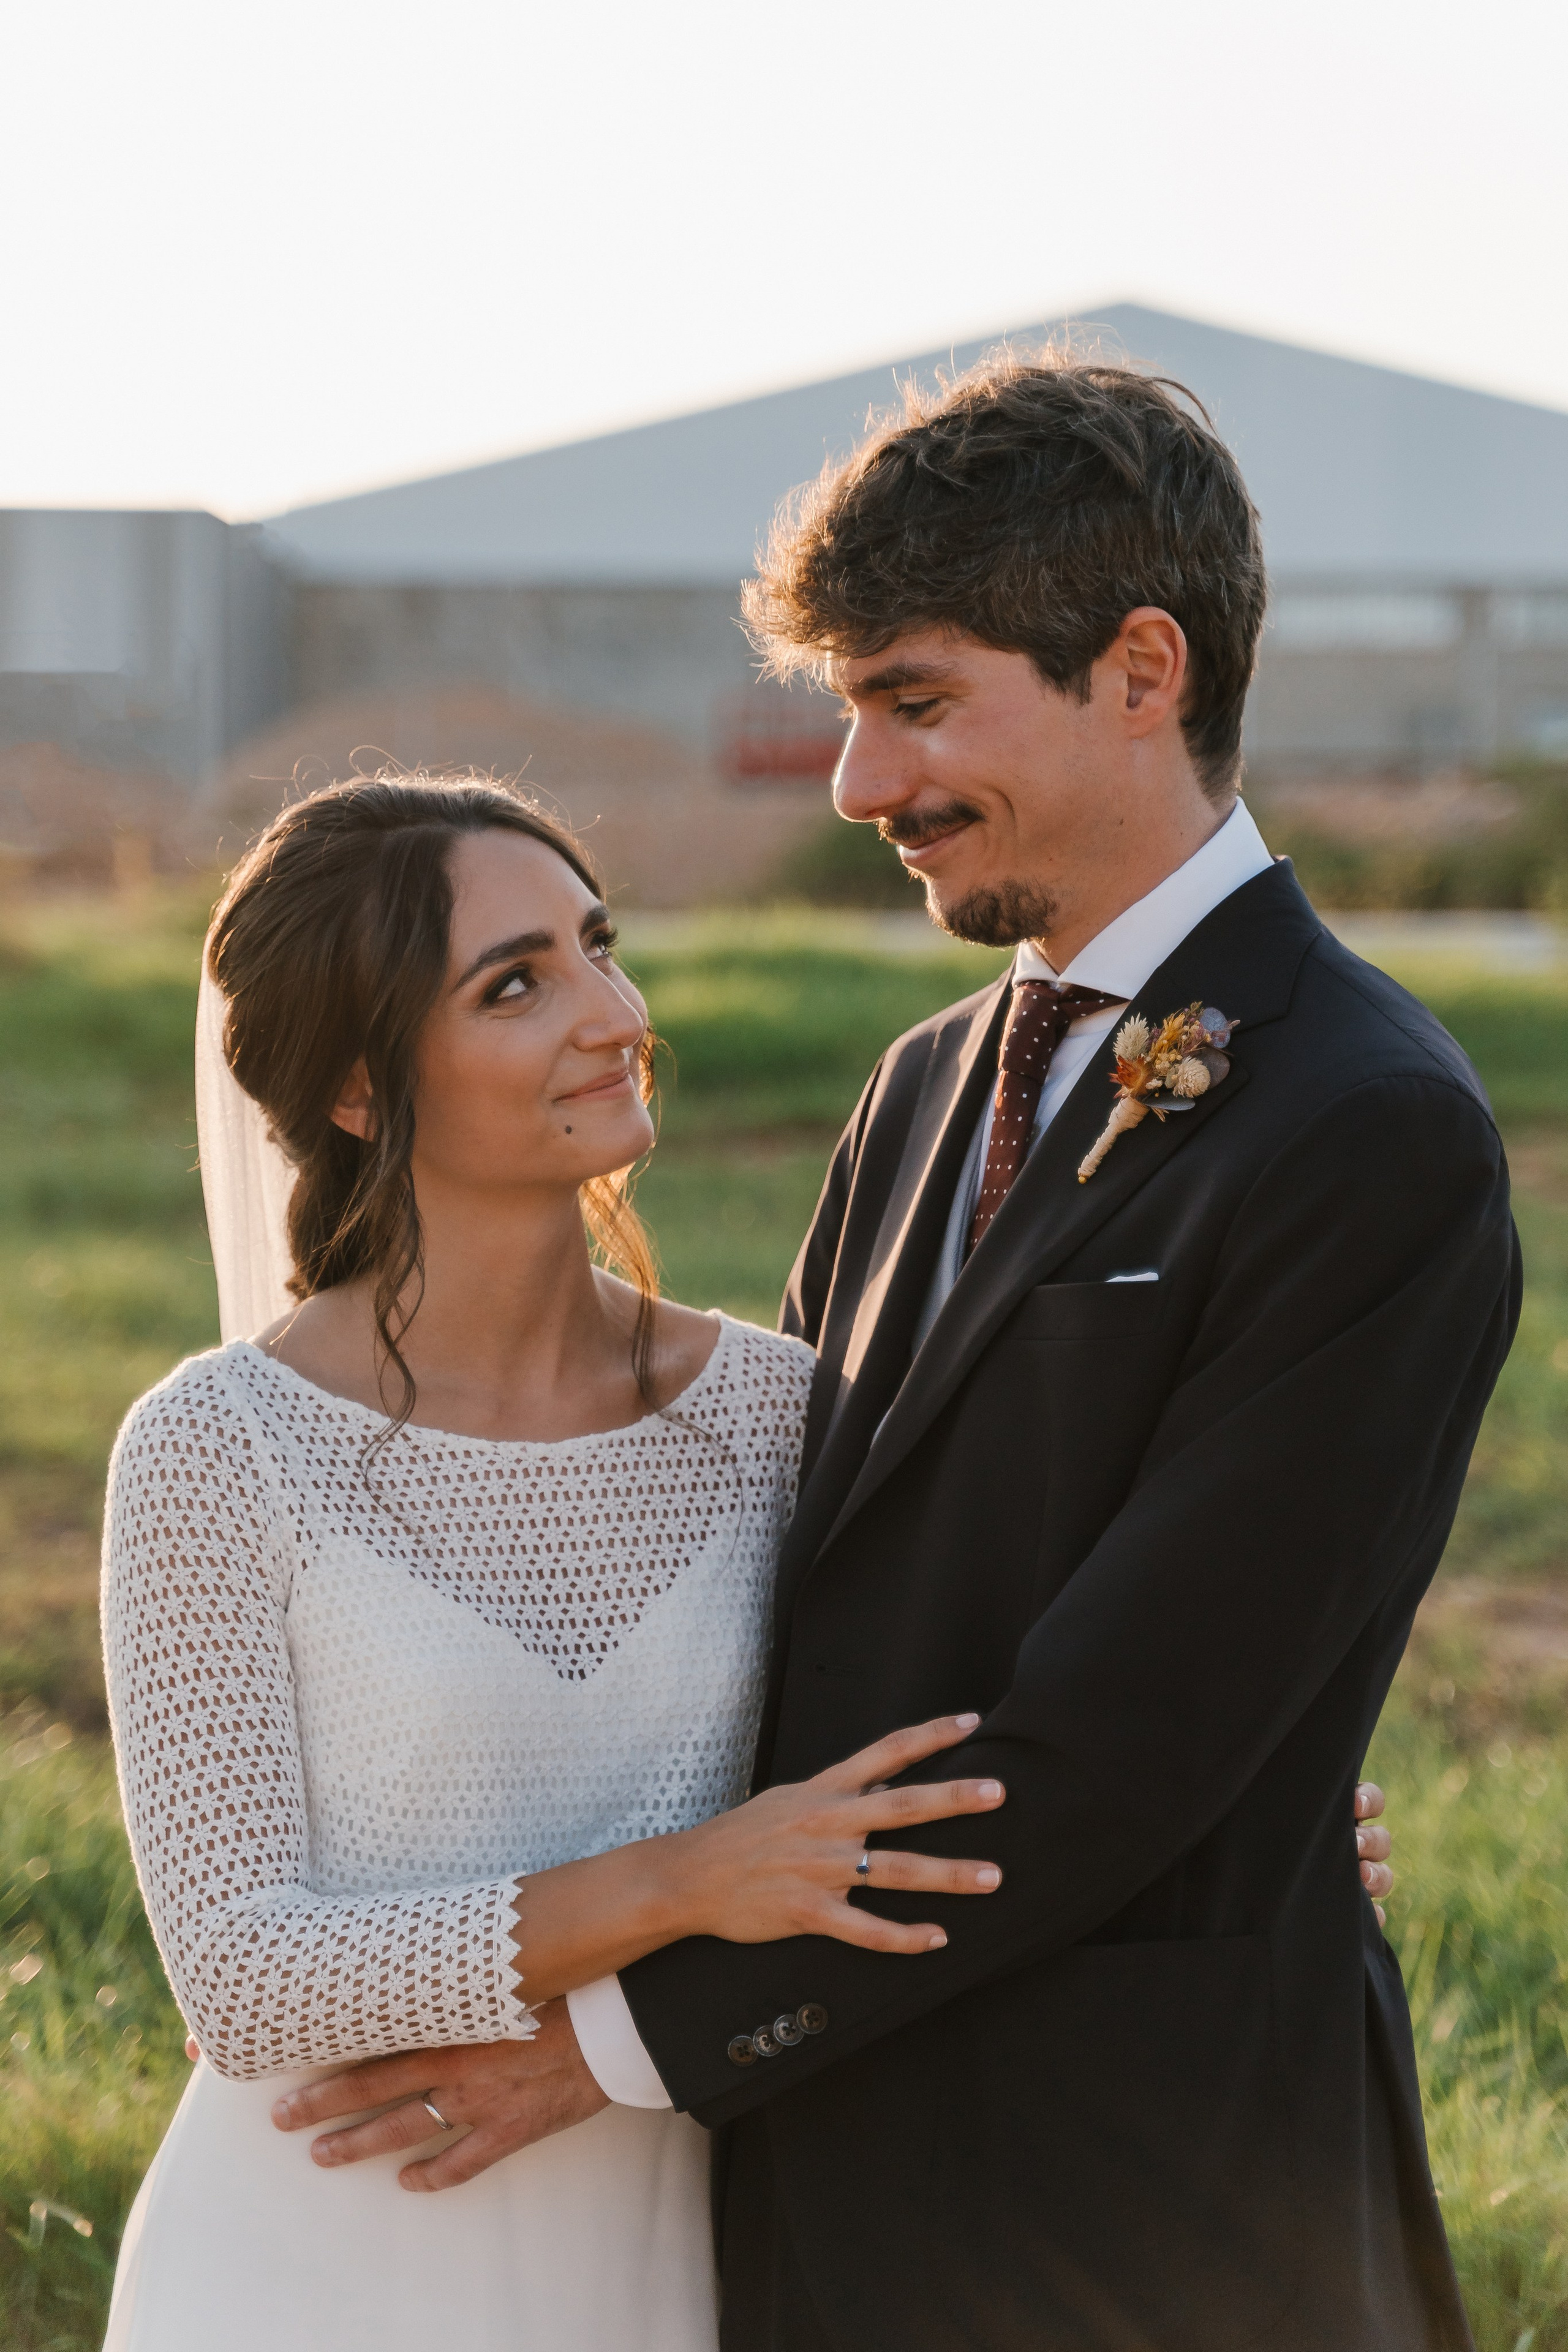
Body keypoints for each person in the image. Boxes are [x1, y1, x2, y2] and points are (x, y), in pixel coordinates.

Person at [283, 355, 1517, 2352]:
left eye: (918, 703)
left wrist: (625, 2044)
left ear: (1141, 669)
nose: (859, 786)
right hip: (819, 2187)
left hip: (1154, 2217)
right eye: (847, 712)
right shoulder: (930, 1080)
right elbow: (782, 1574)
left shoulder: (1369, 1125)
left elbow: (1128, 1741)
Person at [99, 778, 1016, 2351]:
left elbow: (946, 1746)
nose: (613, 1013)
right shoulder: (218, 1451)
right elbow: (246, 1981)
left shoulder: (770, 1412)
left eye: (599, 947)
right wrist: (682, 1881)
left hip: (672, 2245)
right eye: (515, 984)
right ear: (359, 1092)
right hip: (314, 2261)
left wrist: (1240, 1827)